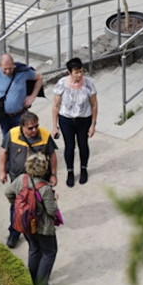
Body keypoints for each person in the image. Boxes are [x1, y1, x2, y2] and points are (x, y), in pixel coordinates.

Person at [0, 110, 57, 248]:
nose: (34, 130)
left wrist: (54, 174)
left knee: (39, 206)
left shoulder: (44, 135)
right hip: (18, 179)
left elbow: (52, 155)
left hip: (39, 180)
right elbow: (4, 152)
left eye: (36, 126)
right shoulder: (12, 134)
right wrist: (2, 171)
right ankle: (14, 233)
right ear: (22, 127)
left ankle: (36, 230)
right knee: (17, 207)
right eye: (30, 128)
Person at [5, 151, 60, 285]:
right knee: (49, 252)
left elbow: (8, 193)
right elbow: (52, 211)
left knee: (34, 249)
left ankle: (32, 280)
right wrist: (55, 199)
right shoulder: (45, 188)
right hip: (43, 227)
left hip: (25, 223)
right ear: (44, 168)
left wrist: (17, 204)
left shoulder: (21, 179)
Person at [51, 56, 98, 187]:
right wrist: (54, 126)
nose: (79, 75)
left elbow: (94, 105)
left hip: (84, 119)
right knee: (69, 146)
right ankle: (70, 171)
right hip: (66, 120)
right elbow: (55, 105)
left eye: (81, 71)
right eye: (76, 72)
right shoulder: (61, 84)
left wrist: (93, 124)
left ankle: (83, 169)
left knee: (83, 144)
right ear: (69, 72)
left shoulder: (88, 83)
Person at [0, 53, 44, 143]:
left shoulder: (22, 72)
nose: (7, 71)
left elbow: (39, 78)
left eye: (10, 68)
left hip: (21, 115)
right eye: (5, 69)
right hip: (4, 116)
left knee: (24, 140)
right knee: (7, 140)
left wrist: (32, 96)